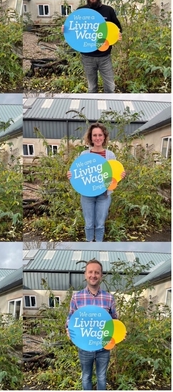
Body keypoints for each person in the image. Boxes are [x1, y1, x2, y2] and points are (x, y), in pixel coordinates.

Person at [67, 123, 126, 242]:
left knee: (100, 224)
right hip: (87, 195)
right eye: (95, 135)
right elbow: (78, 173)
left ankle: (98, 244)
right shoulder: (84, 155)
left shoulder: (110, 155)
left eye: (100, 135)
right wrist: (71, 175)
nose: (97, 138)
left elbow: (113, 175)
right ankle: (89, 244)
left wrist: (120, 175)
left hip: (103, 195)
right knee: (89, 224)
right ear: (90, 137)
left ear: (104, 137)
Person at [66, 259, 117, 390]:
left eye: (97, 272)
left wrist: (119, 333)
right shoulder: (76, 297)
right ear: (85, 274)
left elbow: (114, 321)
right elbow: (71, 317)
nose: (93, 275)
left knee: (101, 377)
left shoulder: (109, 298)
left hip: (103, 347)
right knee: (86, 376)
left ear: (101, 275)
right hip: (84, 346)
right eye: (90, 272)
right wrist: (68, 329)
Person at [77, 0, 122, 93]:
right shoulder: (80, 11)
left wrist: (118, 35)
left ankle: (110, 109)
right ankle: (93, 108)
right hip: (87, 57)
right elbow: (74, 31)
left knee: (110, 87)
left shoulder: (108, 10)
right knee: (92, 88)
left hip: (105, 56)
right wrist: (66, 29)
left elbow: (117, 29)